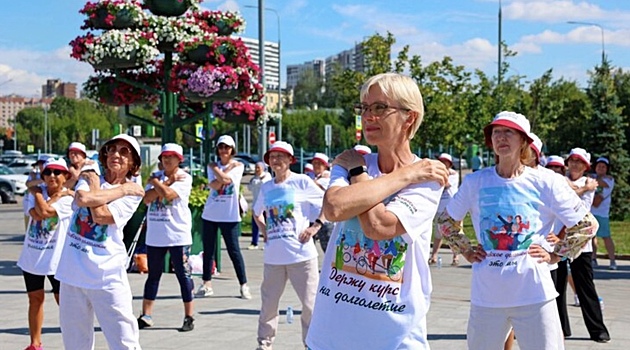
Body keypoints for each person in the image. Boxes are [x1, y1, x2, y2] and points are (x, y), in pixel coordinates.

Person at [306, 73, 450, 350]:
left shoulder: (429, 177)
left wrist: (358, 178)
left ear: (409, 117)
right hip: (329, 335)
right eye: (364, 108)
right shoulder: (353, 161)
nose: (368, 116)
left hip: (393, 337)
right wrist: (406, 174)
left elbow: (380, 227)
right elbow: (334, 207)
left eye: (380, 108)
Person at [437, 111, 600, 349]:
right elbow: (445, 222)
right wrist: (467, 250)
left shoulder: (546, 182)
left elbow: (587, 225)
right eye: (496, 133)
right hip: (487, 297)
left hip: (535, 296)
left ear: (524, 141)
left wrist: (557, 254)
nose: (501, 138)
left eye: (508, 132)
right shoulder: (475, 181)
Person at [55, 134, 145, 350]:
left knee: (125, 341)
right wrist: (120, 189)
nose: (116, 155)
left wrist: (104, 189)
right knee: (75, 343)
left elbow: (101, 216)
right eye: (112, 149)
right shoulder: (96, 178)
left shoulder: (135, 193)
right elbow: (82, 199)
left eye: (125, 152)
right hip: (72, 273)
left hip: (108, 275)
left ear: (133, 163)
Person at [252, 141, 325, 350]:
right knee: (268, 306)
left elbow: (328, 202)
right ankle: (264, 344)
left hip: (301, 256)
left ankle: (311, 344)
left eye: (281, 156)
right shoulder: (266, 187)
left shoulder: (301, 182)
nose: (276, 160)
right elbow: (256, 213)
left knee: (310, 305)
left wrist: (315, 226)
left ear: (290, 160)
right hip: (273, 258)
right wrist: (264, 230)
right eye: (272, 157)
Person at [552, 148, 610, 342]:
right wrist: (583, 188)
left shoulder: (588, 182)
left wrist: (583, 188)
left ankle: (598, 330)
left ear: (586, 166)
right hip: (557, 241)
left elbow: (575, 204)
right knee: (557, 287)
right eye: (572, 160)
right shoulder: (561, 179)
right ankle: (561, 328)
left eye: (580, 162)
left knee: (586, 287)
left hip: (580, 243)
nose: (575, 164)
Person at [137, 143, 195, 332]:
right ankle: (146, 315)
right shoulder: (157, 178)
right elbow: (146, 199)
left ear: (179, 159)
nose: (167, 160)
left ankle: (189, 316)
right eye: (164, 156)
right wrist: (160, 183)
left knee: (183, 275)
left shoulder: (185, 178)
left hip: (178, 235)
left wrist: (158, 184)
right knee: (153, 275)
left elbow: (168, 195)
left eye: (172, 156)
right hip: (156, 236)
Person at [17, 158, 74, 350]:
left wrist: (37, 193)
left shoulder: (69, 200)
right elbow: (34, 214)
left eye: (57, 173)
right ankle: (35, 343)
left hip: (56, 259)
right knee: (35, 299)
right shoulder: (34, 194)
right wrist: (38, 193)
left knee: (64, 302)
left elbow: (46, 212)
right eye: (48, 172)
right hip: (33, 257)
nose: (52, 176)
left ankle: (76, 340)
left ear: (65, 176)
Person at [197, 135, 251, 299]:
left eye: (227, 147)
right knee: (208, 249)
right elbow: (213, 185)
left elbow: (227, 180)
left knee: (234, 250)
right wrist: (218, 172)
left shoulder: (238, 166)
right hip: (211, 213)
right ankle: (207, 283)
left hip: (230, 215)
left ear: (232, 150)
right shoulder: (214, 166)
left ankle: (243, 285)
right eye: (221, 147)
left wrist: (216, 170)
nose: (223, 151)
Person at [429, 153, 460, 266]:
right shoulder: (437, 175)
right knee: (438, 234)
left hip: (451, 208)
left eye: (445, 162)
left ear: (449, 164)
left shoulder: (453, 174)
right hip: (439, 208)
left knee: (454, 233)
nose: (443, 163)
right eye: (441, 161)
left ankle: (455, 257)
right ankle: (434, 256)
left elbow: (446, 184)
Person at [590, 157, 616, 270]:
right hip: (590, 213)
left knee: (606, 237)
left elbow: (597, 201)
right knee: (592, 236)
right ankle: (593, 258)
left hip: (602, 213)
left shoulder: (610, 180)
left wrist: (593, 182)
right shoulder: (591, 177)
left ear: (607, 169)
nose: (601, 168)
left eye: (603, 167)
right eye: (598, 166)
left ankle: (612, 261)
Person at [247, 161, 272, 250]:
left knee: (267, 224)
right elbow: (249, 188)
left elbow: (266, 185)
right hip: (256, 205)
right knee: (255, 225)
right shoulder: (254, 178)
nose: (257, 169)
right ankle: (254, 243)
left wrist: (260, 180)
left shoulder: (267, 176)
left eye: (259, 168)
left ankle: (268, 242)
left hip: (266, 205)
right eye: (256, 167)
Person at [23, 155, 51, 230]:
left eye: (43, 163)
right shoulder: (35, 174)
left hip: (45, 203)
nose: (41, 166)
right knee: (30, 225)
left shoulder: (52, 175)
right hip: (30, 203)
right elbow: (28, 184)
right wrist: (42, 180)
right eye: (39, 163)